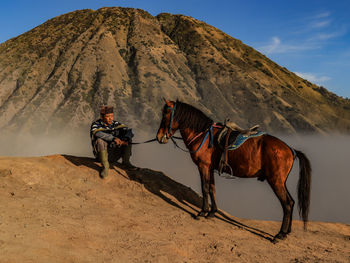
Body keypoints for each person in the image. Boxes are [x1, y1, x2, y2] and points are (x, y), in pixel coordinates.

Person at [90, 106, 135, 178]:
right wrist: (113, 138)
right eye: (108, 116)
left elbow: (130, 131)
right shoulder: (96, 124)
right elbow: (97, 133)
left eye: (112, 116)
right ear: (102, 117)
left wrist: (124, 139)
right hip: (101, 155)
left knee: (128, 139)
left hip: (114, 153)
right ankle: (105, 166)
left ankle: (126, 162)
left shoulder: (115, 124)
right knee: (100, 141)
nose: (110, 118)